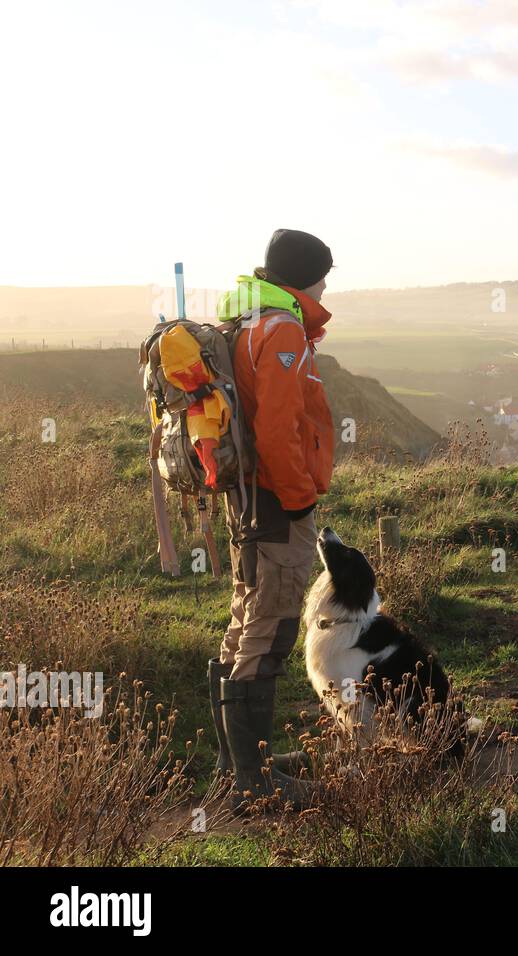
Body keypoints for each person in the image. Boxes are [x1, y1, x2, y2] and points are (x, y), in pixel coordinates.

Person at [208, 229, 335, 807]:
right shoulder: (282, 329)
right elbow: (279, 430)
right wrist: (301, 498)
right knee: (272, 625)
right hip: (277, 501)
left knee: (247, 619)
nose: (328, 285)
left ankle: (237, 765)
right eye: (324, 274)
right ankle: (252, 785)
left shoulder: (249, 320)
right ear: (304, 276)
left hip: (249, 498)